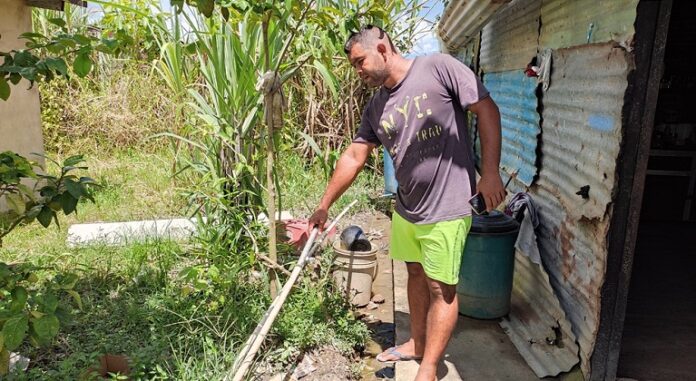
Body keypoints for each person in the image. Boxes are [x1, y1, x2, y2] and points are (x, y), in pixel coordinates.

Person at [308, 25, 505, 381]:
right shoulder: (376, 106)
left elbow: (487, 110)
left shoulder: (439, 68)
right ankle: (416, 342)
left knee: (441, 289)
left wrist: (489, 173)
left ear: (382, 47)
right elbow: (355, 155)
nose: (358, 71)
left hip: (447, 207)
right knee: (414, 273)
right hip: (407, 207)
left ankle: (430, 367)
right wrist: (324, 204)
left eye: (360, 61)